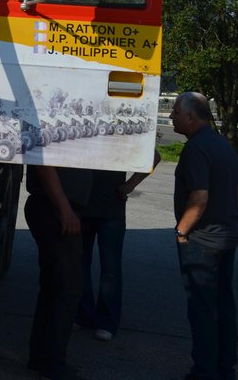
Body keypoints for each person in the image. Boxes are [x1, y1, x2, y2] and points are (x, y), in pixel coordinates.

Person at [171, 91, 238, 380]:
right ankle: (225, 366)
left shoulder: (196, 148)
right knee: (223, 304)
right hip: (225, 237)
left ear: (191, 116)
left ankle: (204, 372)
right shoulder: (222, 144)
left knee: (202, 310)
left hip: (202, 240)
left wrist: (182, 231)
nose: (172, 116)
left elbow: (199, 197)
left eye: (175, 111)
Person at [77, 152, 158, 341]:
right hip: (81, 208)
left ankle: (107, 322)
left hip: (110, 210)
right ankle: (84, 315)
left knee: (110, 270)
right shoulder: (84, 125)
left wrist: (130, 185)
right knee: (79, 265)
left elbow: (153, 155)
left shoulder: (121, 130)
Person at [26, 164, 92, 380]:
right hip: (55, 209)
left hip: (56, 208)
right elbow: (45, 165)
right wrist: (65, 210)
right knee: (68, 288)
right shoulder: (54, 130)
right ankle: (53, 365)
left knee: (53, 287)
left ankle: (40, 357)